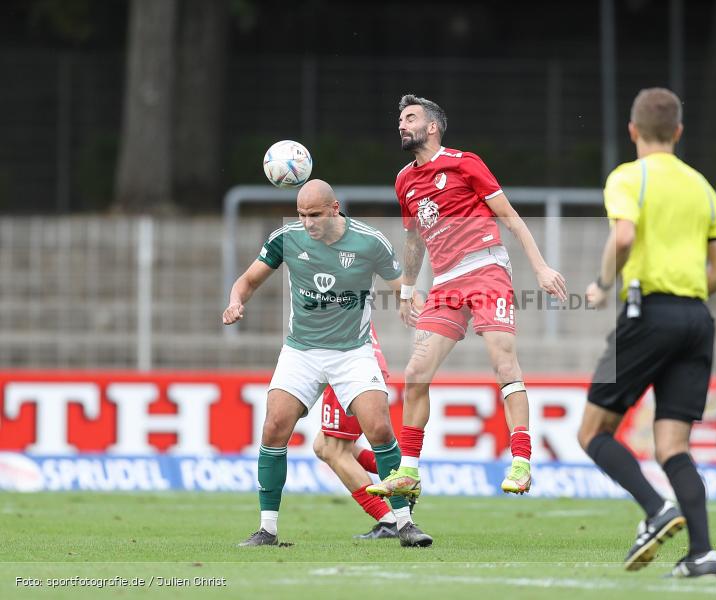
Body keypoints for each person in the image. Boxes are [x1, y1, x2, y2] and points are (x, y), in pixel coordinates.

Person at [367, 94, 568, 515]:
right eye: (399, 119)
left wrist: (542, 269)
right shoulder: (404, 179)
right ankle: (409, 469)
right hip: (444, 282)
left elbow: (510, 218)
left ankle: (521, 462)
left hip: (486, 268)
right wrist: (406, 289)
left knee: (503, 363)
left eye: (410, 118)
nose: (401, 125)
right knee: (417, 372)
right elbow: (413, 240)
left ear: (433, 127)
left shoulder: (465, 163)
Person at [580, 87, 716, 578]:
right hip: (697, 320)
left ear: (632, 131)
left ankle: (656, 509)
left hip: (649, 315)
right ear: (679, 132)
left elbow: (623, 236)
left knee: (592, 432)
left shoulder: (630, 177)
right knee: (673, 445)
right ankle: (703, 553)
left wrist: (604, 285)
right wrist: (688, 293)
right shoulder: (701, 186)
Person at [224, 179, 432, 548]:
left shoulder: (369, 241)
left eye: (315, 215)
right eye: (302, 215)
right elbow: (248, 280)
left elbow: (402, 284)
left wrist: (413, 305)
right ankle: (267, 529)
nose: (307, 223)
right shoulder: (285, 238)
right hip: (301, 351)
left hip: (352, 351)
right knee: (274, 427)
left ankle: (405, 524)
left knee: (380, 428)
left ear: (334, 208)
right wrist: (236, 301)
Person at [312, 324, 412, 540]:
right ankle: (405, 473)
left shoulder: (328, 294)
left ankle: (388, 519)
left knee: (334, 450)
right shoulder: (353, 293)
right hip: (362, 362)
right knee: (322, 445)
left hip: (347, 367)